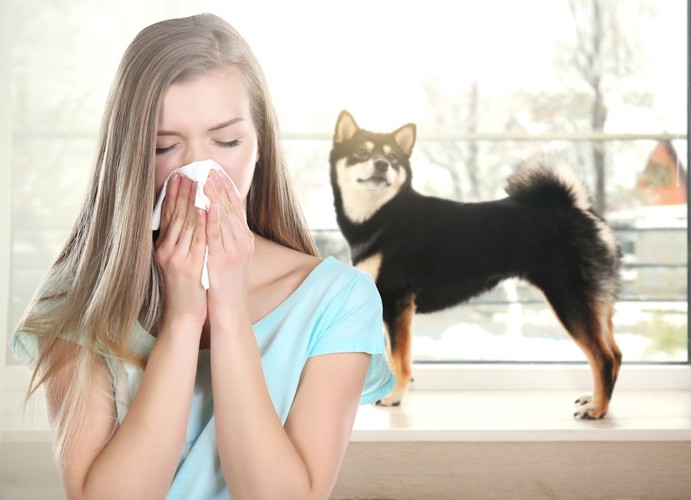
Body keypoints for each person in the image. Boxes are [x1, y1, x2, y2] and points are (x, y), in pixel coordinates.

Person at [12, 13, 395, 500]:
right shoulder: (80, 296)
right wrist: (183, 318)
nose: (198, 172)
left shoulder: (339, 299)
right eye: (163, 147)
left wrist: (230, 310)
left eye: (227, 141)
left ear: (260, 147)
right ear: (129, 158)